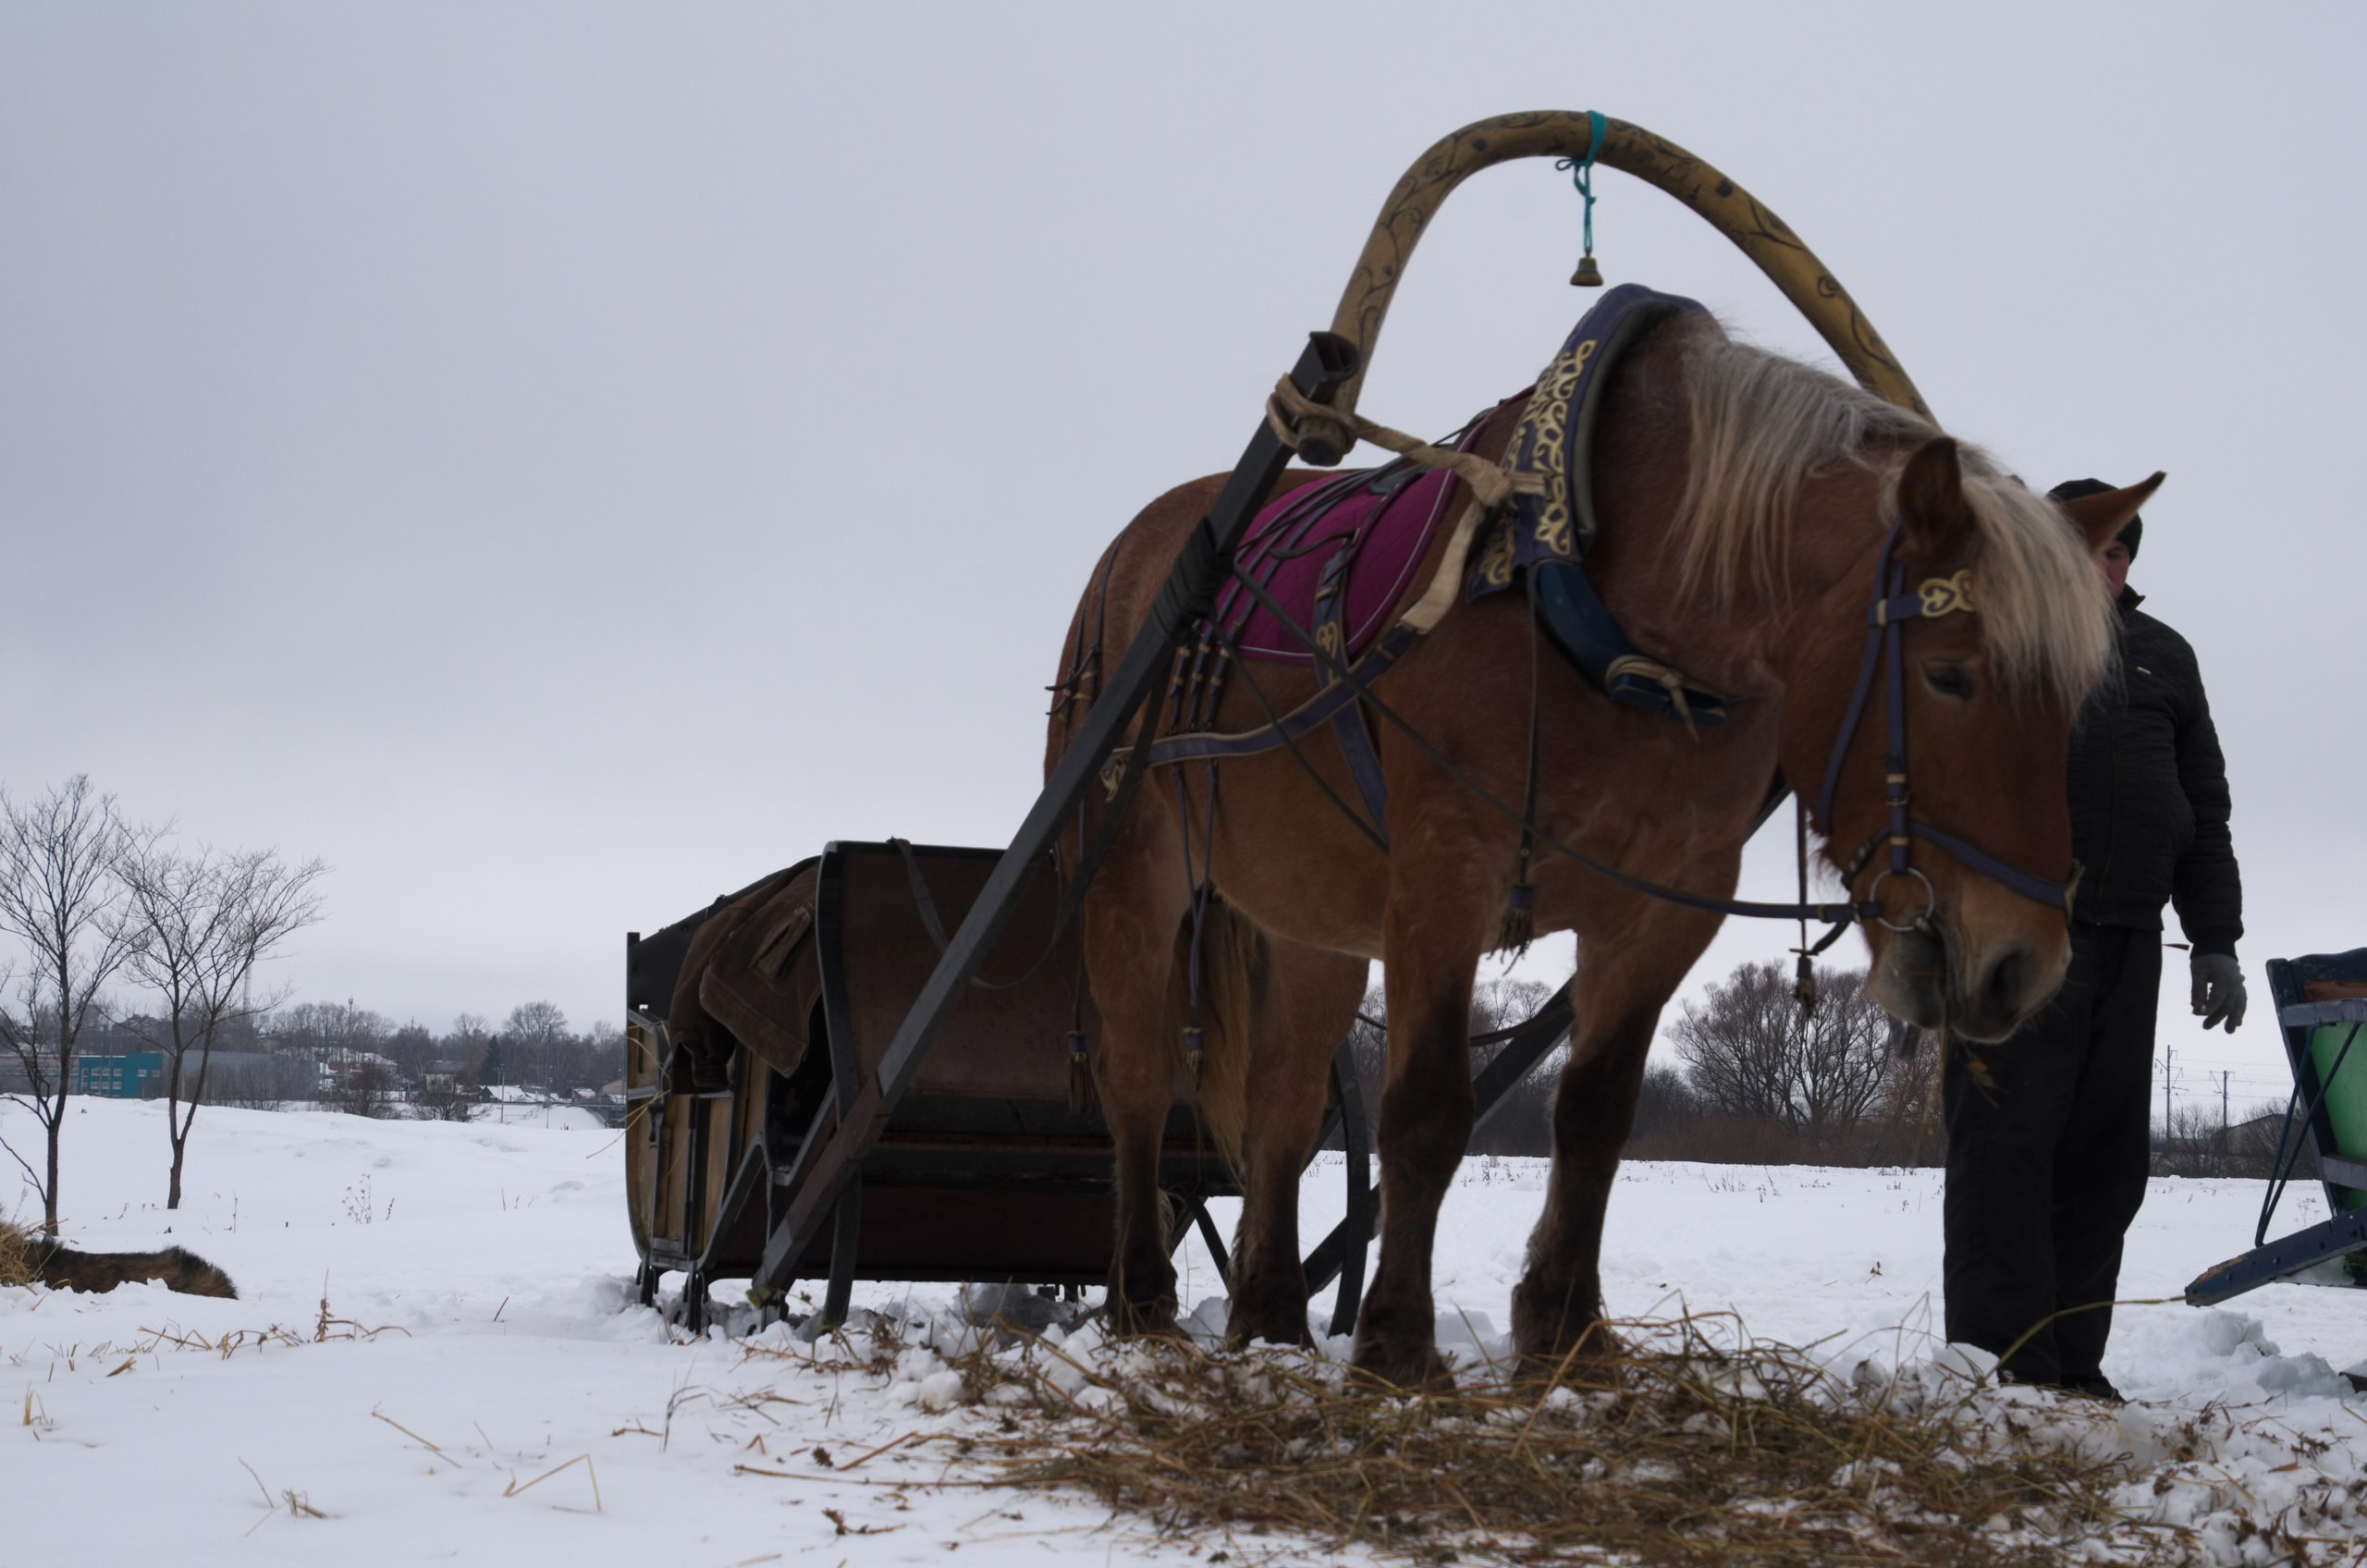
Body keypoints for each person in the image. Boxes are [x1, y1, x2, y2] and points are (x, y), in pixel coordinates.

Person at [1941, 477, 2247, 1401]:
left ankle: (2072, 1365)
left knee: (2104, 1164)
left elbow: (2204, 811)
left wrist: (2217, 939)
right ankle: (2004, 1367)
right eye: (2082, 547)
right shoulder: (1997, 641)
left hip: (2130, 942)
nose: (2099, 565)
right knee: (2007, 1154)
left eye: (2115, 551)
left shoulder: (2165, 657)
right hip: (2016, 939)